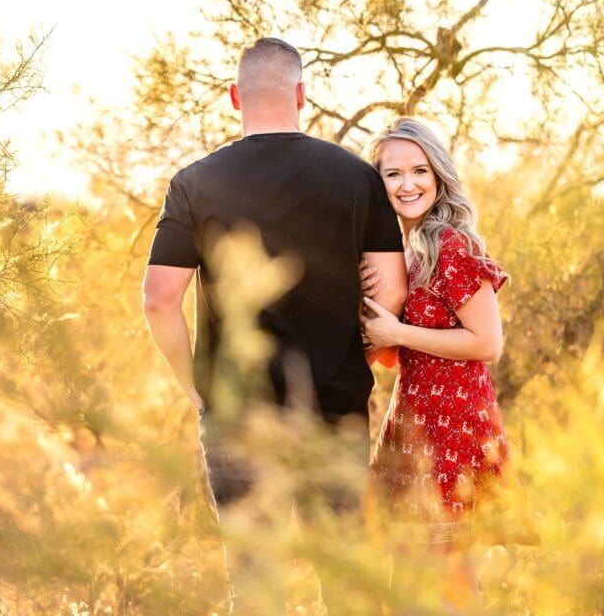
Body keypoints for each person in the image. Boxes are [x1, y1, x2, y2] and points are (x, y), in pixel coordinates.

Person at [142, 37, 407, 612]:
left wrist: (198, 387)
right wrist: (354, 358)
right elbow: (392, 289)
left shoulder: (195, 182)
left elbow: (160, 300)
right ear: (302, 95)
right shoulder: (357, 178)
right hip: (333, 411)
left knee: (255, 586)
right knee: (343, 583)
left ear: (236, 96)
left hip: (239, 413)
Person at [359, 117, 513, 607]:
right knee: (408, 578)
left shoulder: (453, 244)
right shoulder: (406, 249)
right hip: (413, 418)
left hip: (453, 423)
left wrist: (396, 330)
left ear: (439, 175)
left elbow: (487, 343)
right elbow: (389, 356)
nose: (408, 185)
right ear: (377, 183)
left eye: (419, 171)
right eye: (392, 174)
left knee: (446, 575)